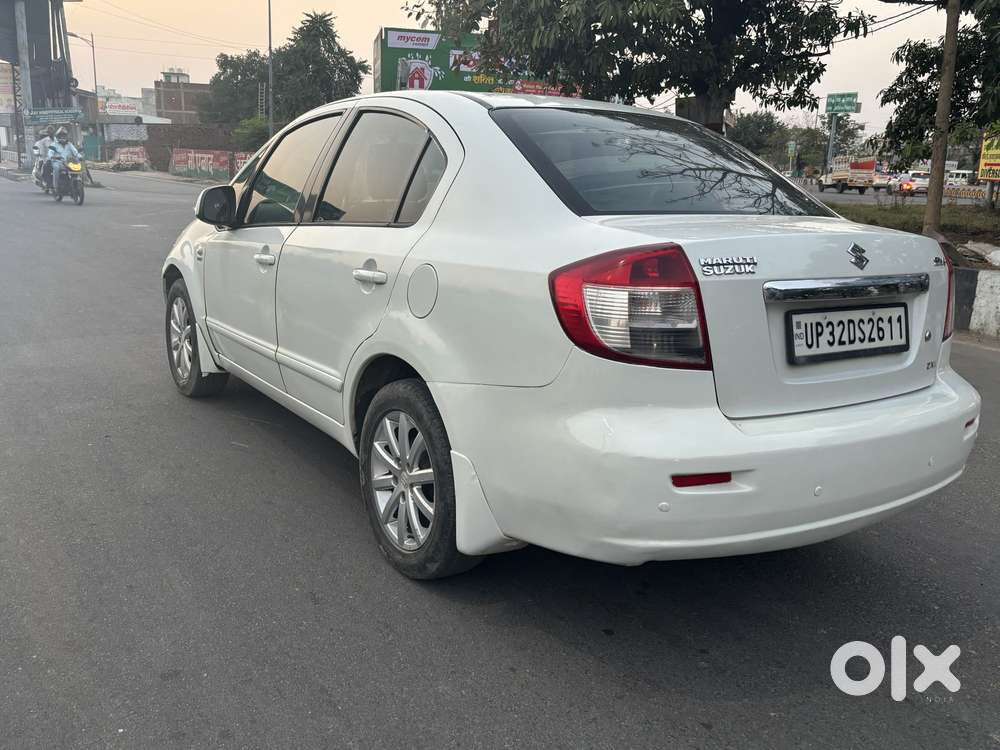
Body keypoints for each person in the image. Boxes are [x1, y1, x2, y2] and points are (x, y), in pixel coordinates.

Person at [48, 127, 82, 192]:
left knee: (78, 167)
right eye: (61, 135)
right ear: (58, 136)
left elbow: (75, 152)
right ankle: (56, 187)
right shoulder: (54, 144)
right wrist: (53, 157)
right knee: (56, 168)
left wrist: (80, 157)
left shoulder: (69, 144)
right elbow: (50, 153)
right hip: (58, 162)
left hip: (68, 162)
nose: (62, 137)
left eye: (64, 135)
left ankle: (76, 183)